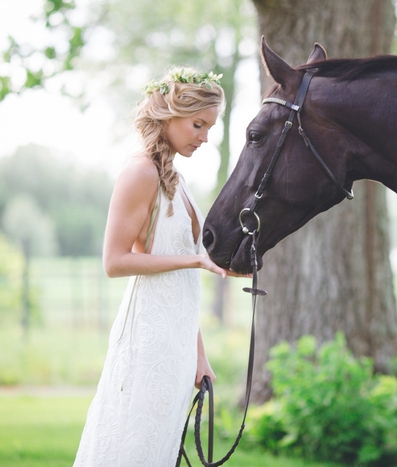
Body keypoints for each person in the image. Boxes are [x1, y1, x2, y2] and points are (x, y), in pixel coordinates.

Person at [74, 67, 238, 466]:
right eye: (198, 125)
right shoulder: (140, 172)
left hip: (176, 343)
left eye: (209, 128)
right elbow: (114, 261)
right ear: (169, 114)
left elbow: (181, 283)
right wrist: (196, 258)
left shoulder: (175, 180)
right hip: (147, 342)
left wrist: (198, 354)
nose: (204, 137)